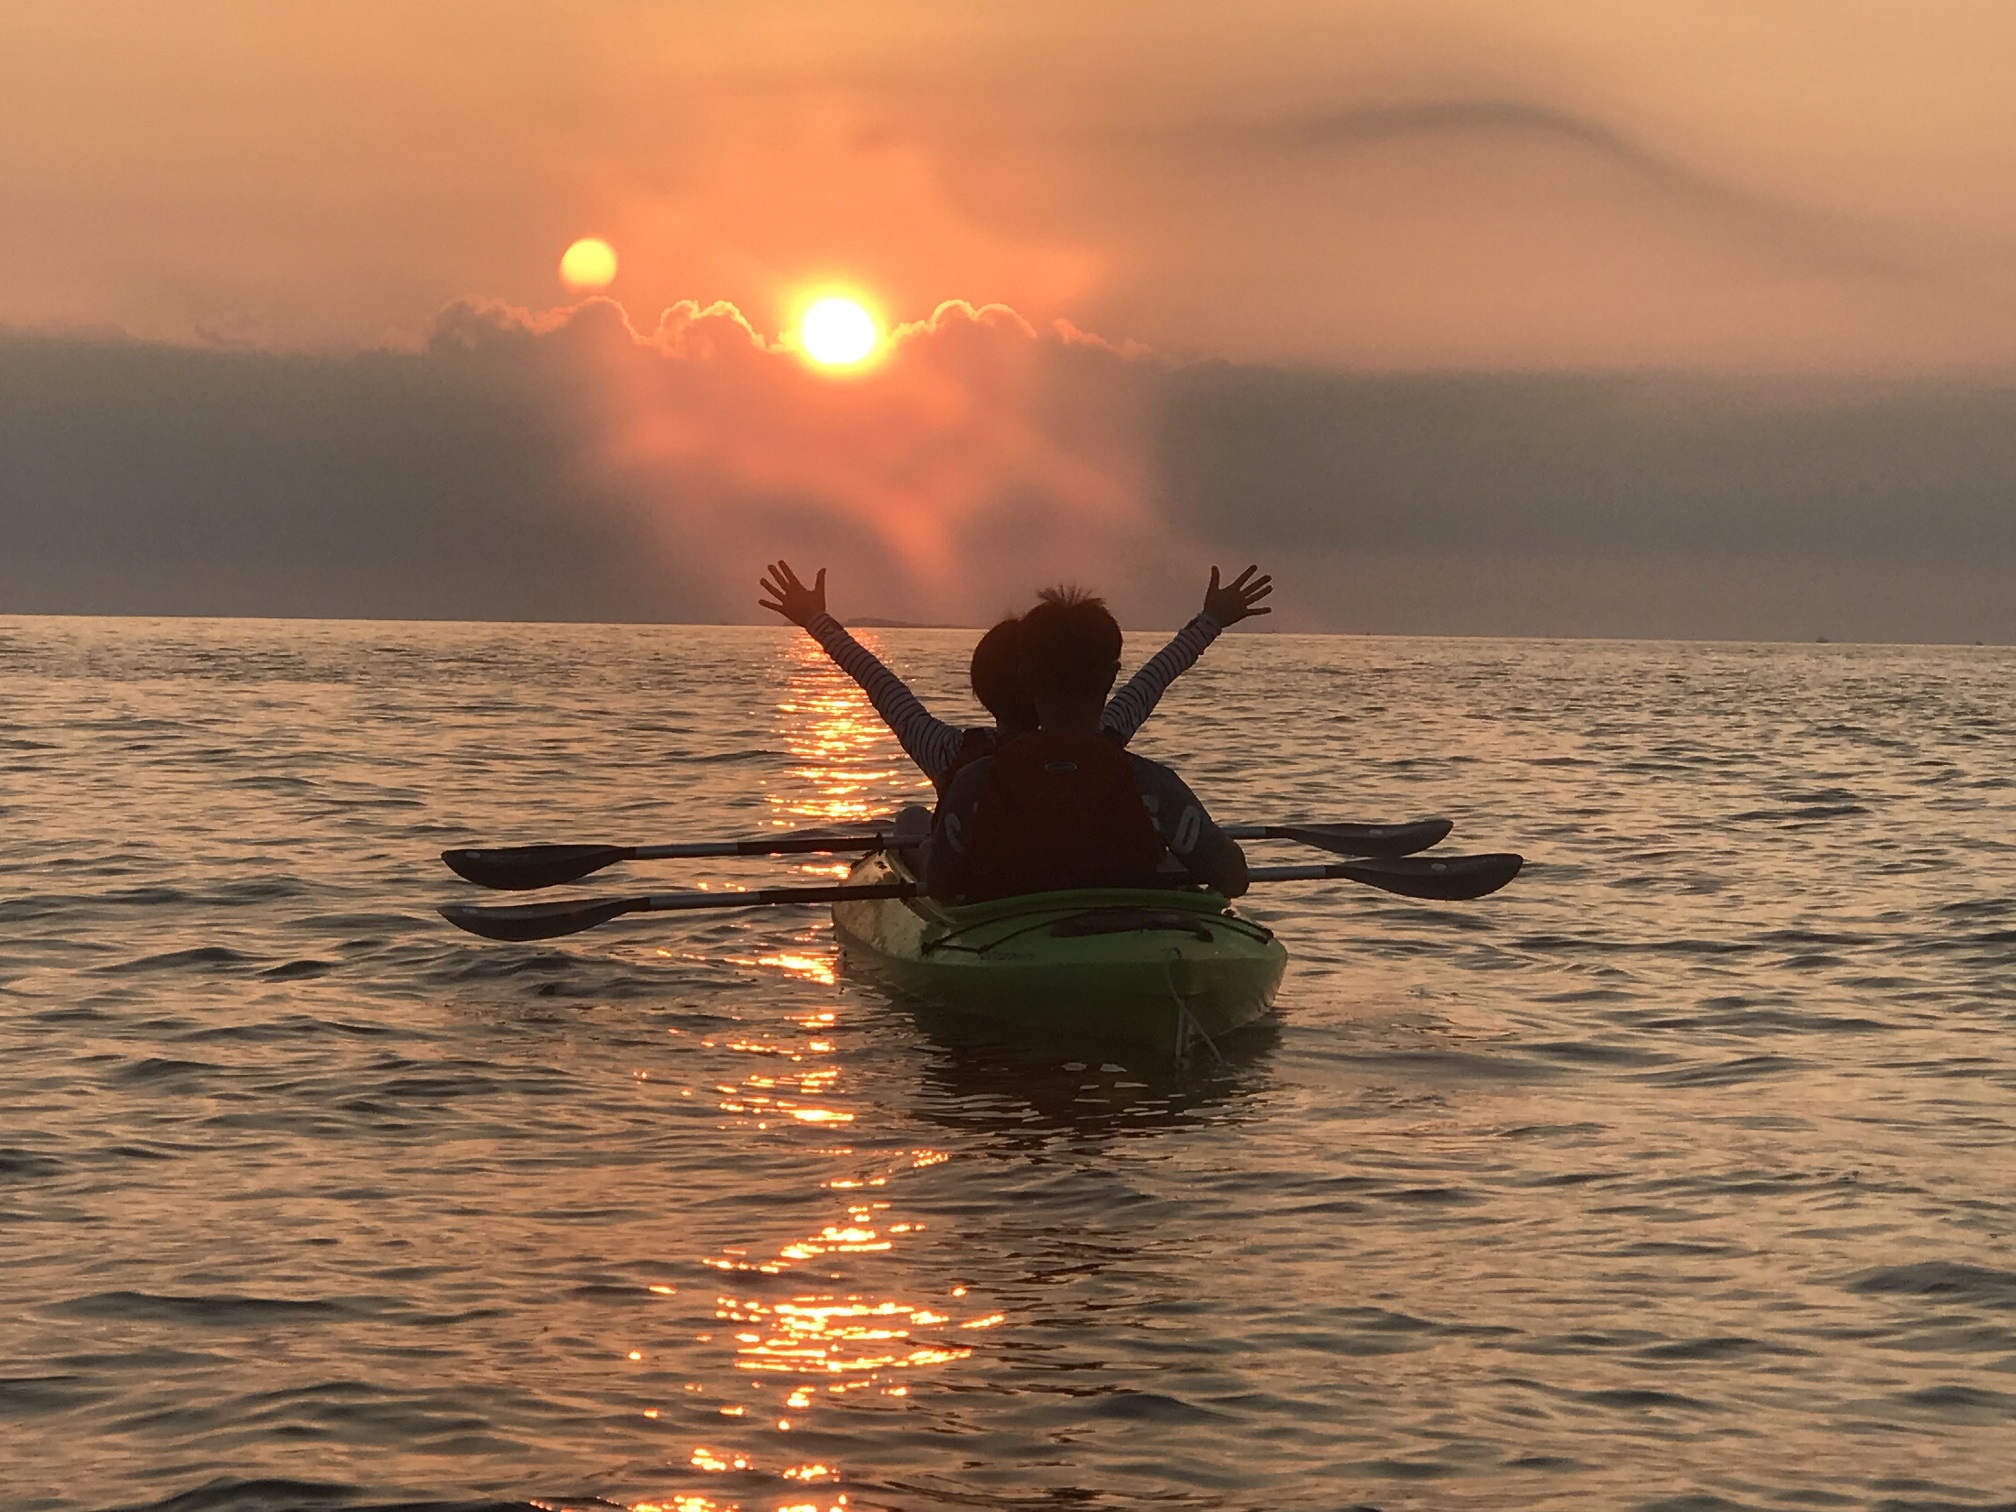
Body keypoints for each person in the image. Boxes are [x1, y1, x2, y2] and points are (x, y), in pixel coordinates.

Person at [756, 560, 1272, 792]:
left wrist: (816, 621)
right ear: (1103, 680)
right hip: (1090, 902)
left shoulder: (948, 753)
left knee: (910, 824)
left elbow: (881, 684)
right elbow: (1157, 675)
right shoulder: (1107, 737)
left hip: (987, 914)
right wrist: (1210, 621)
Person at [926, 588, 1249, 903]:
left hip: (1001, 929)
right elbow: (1233, 877)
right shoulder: (1153, 785)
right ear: (1111, 677)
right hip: (1132, 927)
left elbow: (940, 886)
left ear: (1025, 677)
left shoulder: (974, 783)